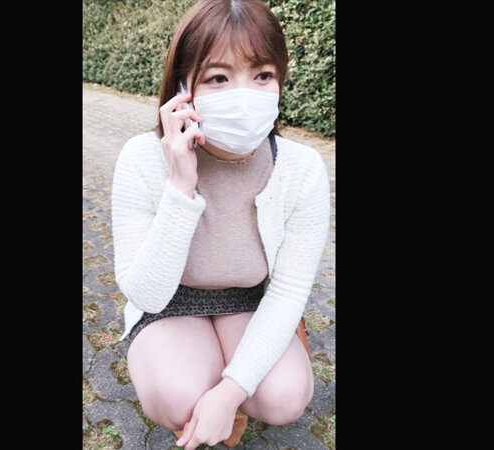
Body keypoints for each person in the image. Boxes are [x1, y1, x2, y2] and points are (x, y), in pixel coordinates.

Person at [110, 1, 330, 448]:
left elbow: (289, 291)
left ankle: (228, 390)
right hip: (170, 301)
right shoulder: (141, 157)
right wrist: (180, 186)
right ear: (183, 88)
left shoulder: (303, 167)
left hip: (251, 298)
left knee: (285, 398)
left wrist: (230, 392)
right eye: (218, 78)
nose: (244, 95)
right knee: (179, 397)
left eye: (262, 75)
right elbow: (146, 293)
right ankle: (196, 384)